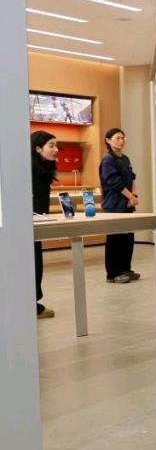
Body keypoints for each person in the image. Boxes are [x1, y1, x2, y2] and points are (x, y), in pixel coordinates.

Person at [99, 128, 140, 284]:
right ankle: (113, 273)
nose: (121, 141)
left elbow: (132, 178)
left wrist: (134, 196)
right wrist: (130, 196)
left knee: (127, 237)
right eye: (117, 138)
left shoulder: (125, 159)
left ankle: (125, 269)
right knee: (115, 239)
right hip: (114, 205)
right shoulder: (108, 160)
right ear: (108, 140)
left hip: (127, 204)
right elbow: (114, 181)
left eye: (123, 138)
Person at [31, 131, 58, 319]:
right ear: (38, 148)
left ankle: (32, 301)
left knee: (36, 262)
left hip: (37, 224)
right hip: (28, 226)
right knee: (31, 262)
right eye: (51, 145)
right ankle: (29, 305)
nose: (56, 149)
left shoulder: (43, 170)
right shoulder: (29, 172)